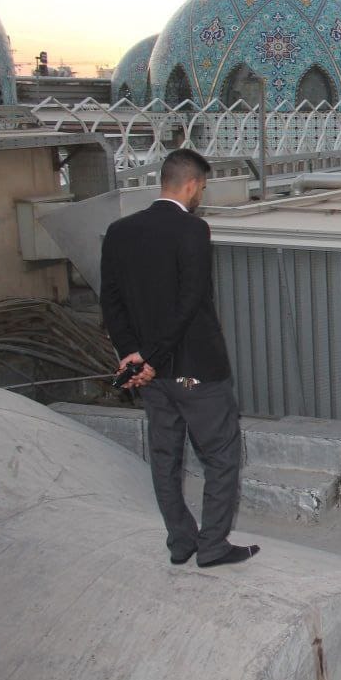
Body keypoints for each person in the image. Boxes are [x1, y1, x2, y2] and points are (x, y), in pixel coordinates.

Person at [99, 148, 258, 568]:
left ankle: (180, 541)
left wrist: (133, 357)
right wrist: (150, 356)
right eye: (201, 188)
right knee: (221, 457)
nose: (200, 196)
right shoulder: (193, 230)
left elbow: (111, 302)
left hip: (152, 377)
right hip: (196, 372)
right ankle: (213, 545)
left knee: (165, 458)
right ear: (191, 185)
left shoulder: (119, 231)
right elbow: (189, 303)